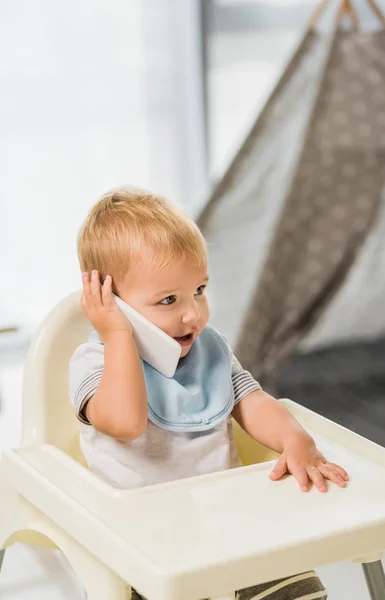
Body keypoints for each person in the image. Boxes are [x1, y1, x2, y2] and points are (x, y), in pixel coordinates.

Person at [70, 186, 349, 600]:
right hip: (145, 545)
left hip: (231, 524)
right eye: (168, 300)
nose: (192, 313)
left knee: (301, 592)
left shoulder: (208, 351)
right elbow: (127, 424)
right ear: (112, 302)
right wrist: (117, 333)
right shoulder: (94, 363)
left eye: (199, 290)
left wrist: (295, 438)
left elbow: (251, 401)